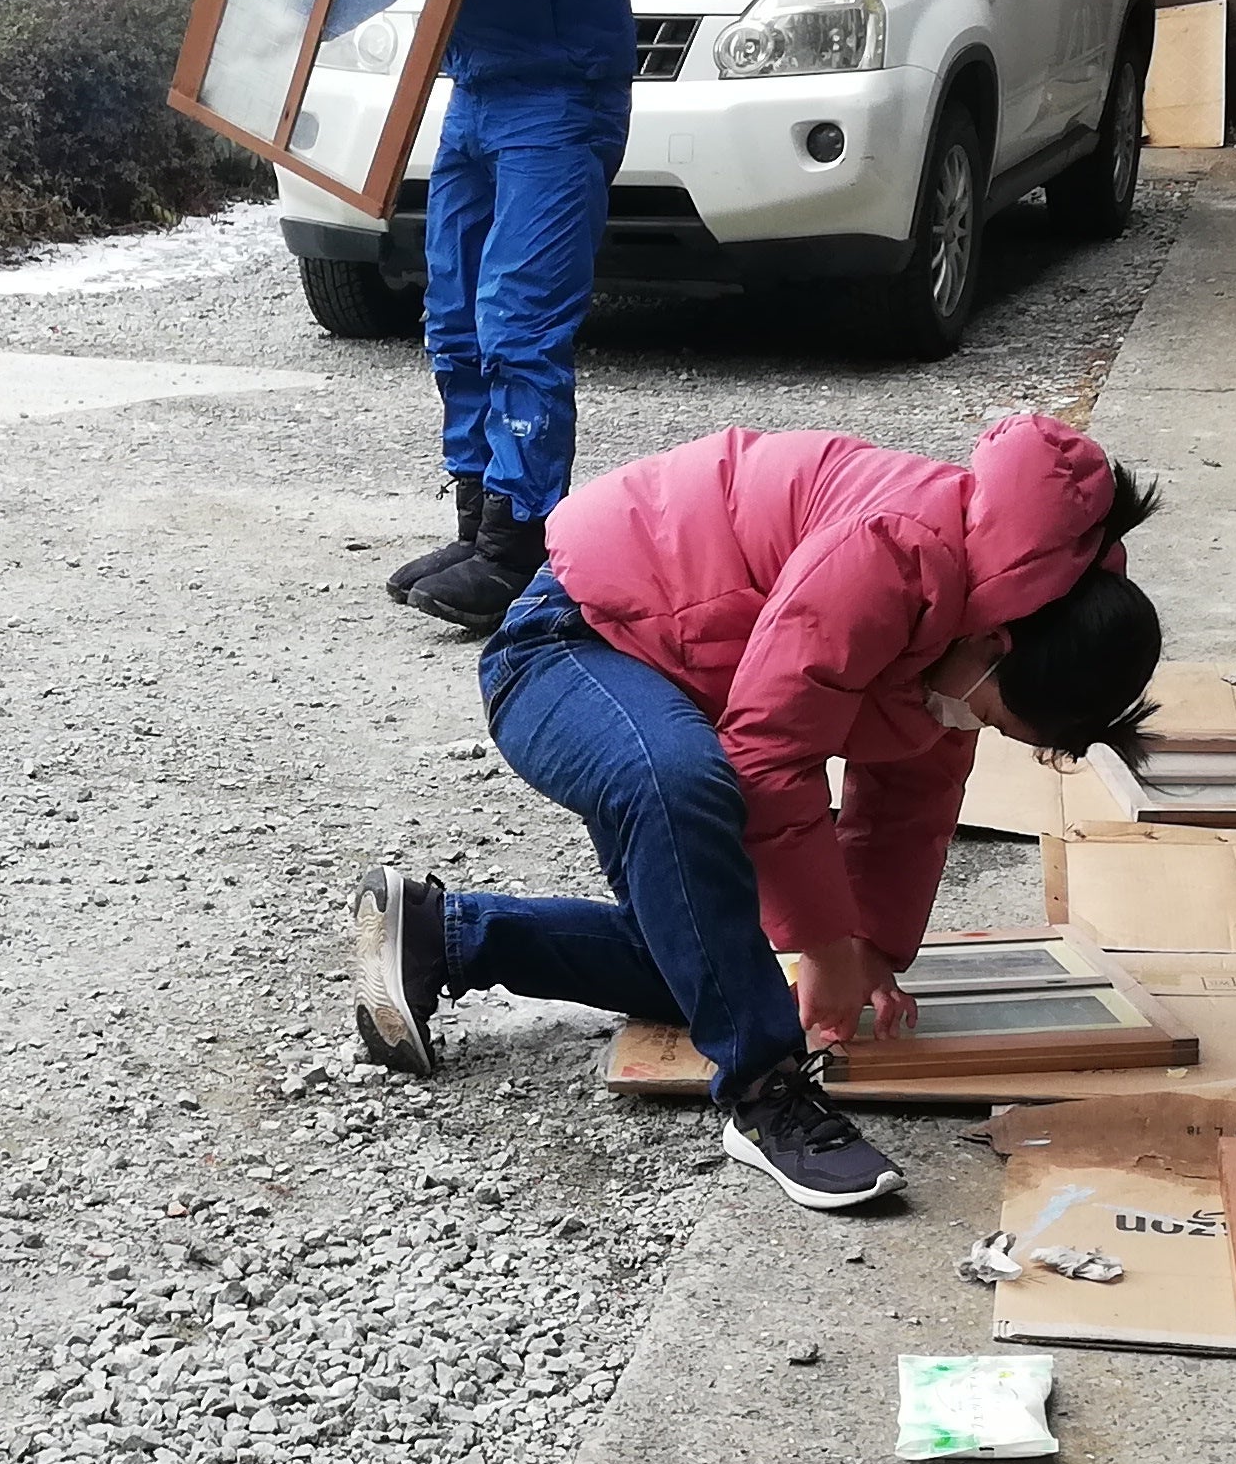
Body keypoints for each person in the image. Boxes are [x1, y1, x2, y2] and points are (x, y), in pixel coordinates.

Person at [347, 412, 1163, 1210]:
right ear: (996, 645)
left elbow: (912, 802)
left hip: (671, 674)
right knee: (683, 782)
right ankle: (766, 1092)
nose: (973, 727)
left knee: (714, 964)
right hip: (570, 639)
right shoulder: (894, 550)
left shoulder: (994, 609)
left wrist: (868, 948)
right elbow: (769, 754)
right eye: (992, 715)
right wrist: (825, 947)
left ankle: (443, 935)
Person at [322, 0, 640, 637]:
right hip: (479, 79)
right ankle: (478, 522)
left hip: (562, 85)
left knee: (519, 319)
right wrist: (298, 12)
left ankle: (523, 547)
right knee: (454, 313)